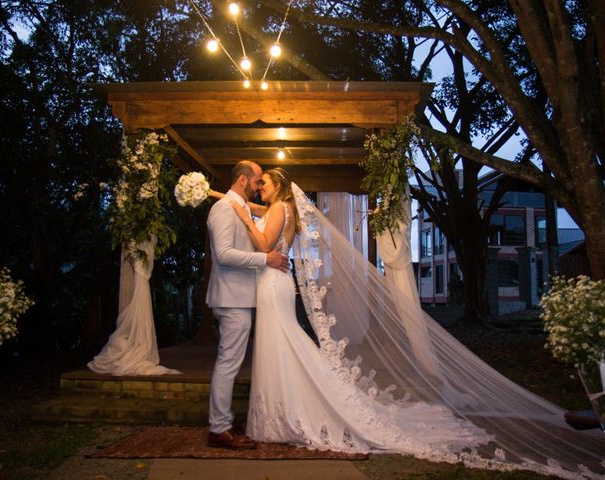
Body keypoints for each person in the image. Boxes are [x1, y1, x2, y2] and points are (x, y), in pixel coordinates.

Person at [225, 167, 605, 478]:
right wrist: (234, 204)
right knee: (284, 343)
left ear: (279, 186)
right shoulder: (283, 209)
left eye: (265, 184)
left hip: (271, 281)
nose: (260, 190)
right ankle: (284, 410)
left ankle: (288, 413)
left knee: (284, 343)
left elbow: (262, 243)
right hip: (275, 282)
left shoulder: (276, 210)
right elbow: (267, 221)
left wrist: (242, 214)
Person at [205, 160, 288, 450]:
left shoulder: (236, 207)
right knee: (229, 363)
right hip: (231, 297)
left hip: (241, 296)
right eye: (256, 181)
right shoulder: (223, 210)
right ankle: (219, 429)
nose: (259, 186)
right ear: (243, 181)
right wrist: (265, 259)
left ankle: (223, 421)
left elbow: (270, 217)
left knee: (232, 362)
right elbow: (224, 254)